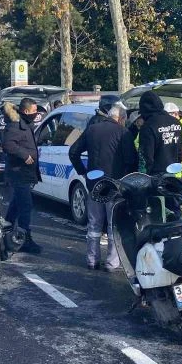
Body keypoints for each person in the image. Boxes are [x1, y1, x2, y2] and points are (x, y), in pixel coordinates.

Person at [69, 105, 137, 271]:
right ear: (121, 118)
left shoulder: (92, 130)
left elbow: (73, 152)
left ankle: (92, 260)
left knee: (94, 225)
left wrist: (83, 172)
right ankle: (112, 263)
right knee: (113, 225)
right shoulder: (123, 133)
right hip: (115, 186)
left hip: (94, 184)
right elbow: (131, 161)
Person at [1, 98, 42, 254]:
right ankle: (24, 239)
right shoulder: (16, 125)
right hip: (19, 173)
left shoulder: (25, 124)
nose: (36, 114)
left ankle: (6, 230)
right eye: (34, 111)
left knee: (17, 204)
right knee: (26, 206)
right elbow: (8, 145)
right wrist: (24, 155)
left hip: (25, 172)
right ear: (25, 111)